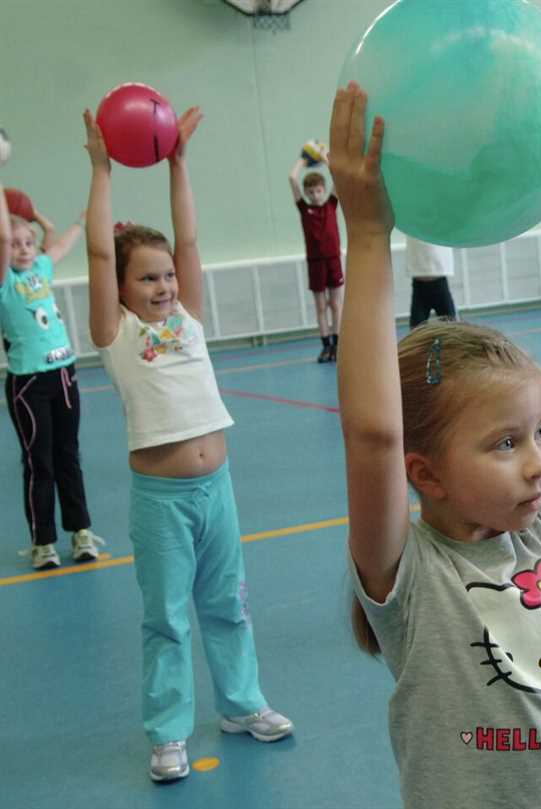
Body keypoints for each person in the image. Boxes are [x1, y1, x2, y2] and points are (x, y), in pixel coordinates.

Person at [332, 82, 541, 808]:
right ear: (423, 472)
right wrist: (368, 236)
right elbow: (373, 433)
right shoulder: (411, 578)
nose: (538, 461)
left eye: (539, 432)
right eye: (503, 443)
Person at [83, 107, 292, 783]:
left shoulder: (191, 321)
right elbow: (94, 250)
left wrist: (179, 164)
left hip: (217, 489)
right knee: (167, 618)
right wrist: (100, 169)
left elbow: (191, 240)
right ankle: (168, 731)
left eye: (167, 275)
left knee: (229, 603)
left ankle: (241, 702)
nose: (165, 285)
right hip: (162, 500)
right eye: (147, 278)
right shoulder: (117, 336)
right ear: (120, 289)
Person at [0, 187, 102, 569]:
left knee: (68, 457)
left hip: (64, 375)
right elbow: (4, 237)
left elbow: (59, 243)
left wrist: (77, 219)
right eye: (16, 245)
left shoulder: (42, 267)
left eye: (30, 243)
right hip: (29, 384)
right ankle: (43, 541)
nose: (24, 249)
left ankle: (81, 532)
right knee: (38, 462)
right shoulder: (4, 283)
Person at [289, 152, 343, 362]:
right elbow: (293, 178)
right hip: (315, 263)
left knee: (336, 304)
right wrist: (303, 160)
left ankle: (338, 344)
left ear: (324, 189)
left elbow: (337, 175)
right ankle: (326, 345)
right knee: (321, 306)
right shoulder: (304, 208)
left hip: (333, 261)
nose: (315, 195)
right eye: (310, 192)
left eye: (318, 190)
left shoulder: (331, 203)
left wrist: (323, 158)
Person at [405, 235, 457, 328]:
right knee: (416, 330)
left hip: (439, 283)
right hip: (419, 285)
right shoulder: (412, 226)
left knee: (452, 328)